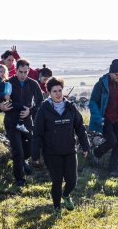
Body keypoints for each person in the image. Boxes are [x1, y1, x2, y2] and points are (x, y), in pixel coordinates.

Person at [32, 77, 90, 216]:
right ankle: (57, 209)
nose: (58, 94)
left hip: (69, 150)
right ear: (49, 93)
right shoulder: (43, 109)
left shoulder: (70, 107)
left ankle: (66, 195)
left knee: (72, 181)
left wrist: (86, 145)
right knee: (57, 180)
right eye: (54, 91)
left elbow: (80, 128)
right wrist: (35, 155)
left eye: (60, 90)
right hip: (51, 152)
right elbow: (38, 133)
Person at [0, 59, 43, 186]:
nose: (23, 75)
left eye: (25, 72)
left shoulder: (33, 84)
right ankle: (20, 178)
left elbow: (40, 102)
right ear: (16, 70)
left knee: (29, 148)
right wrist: (1, 107)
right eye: (20, 72)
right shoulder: (8, 83)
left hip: (27, 121)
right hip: (11, 121)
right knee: (18, 150)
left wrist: (30, 111)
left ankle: (23, 161)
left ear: (28, 71)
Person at [88, 59, 118, 177]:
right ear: (110, 73)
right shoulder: (101, 84)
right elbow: (92, 102)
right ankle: (96, 152)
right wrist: (98, 118)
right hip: (105, 120)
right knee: (112, 141)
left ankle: (112, 170)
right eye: (117, 75)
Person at [0, 65, 29, 134]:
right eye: (1, 71)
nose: (2, 73)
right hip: (2, 103)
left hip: (1, 103)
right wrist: (4, 96)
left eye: (4, 72)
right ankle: (20, 124)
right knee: (23, 107)